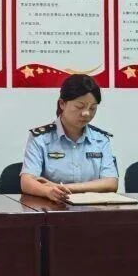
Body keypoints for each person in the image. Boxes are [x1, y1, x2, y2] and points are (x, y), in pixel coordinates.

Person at [20, 73, 118, 201]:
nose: (86, 113)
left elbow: (111, 183)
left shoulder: (101, 139)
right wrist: (48, 191)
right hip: (53, 207)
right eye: (79, 106)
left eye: (92, 108)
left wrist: (63, 187)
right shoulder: (41, 138)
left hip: (92, 208)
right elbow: (26, 182)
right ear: (62, 104)